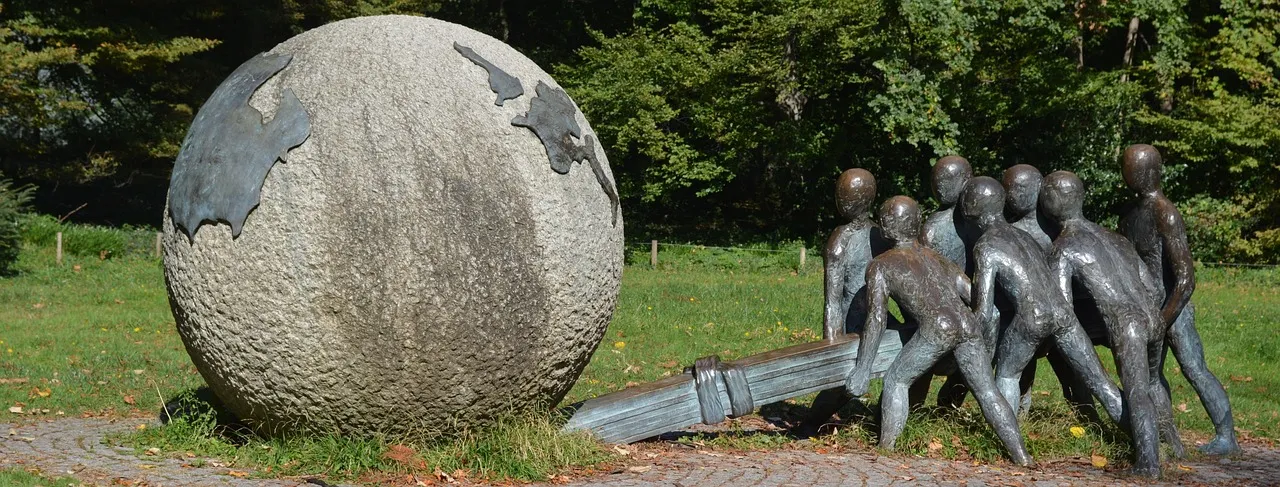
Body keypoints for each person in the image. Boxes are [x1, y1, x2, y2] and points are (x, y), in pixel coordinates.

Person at [844, 196, 1032, 467]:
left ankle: (886, 452)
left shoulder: (881, 265)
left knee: (897, 380)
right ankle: (1021, 455)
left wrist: (863, 368)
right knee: (987, 391)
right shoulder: (934, 256)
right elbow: (973, 294)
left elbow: (876, 319)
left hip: (938, 328)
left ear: (888, 226)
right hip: (967, 323)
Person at [1041, 171, 1184, 478]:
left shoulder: (1063, 248)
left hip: (1126, 323)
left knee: (1136, 392)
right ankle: (1175, 445)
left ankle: (1149, 462)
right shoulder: (1115, 238)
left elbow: (1063, 312)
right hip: (1152, 317)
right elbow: (1150, 286)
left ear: (1051, 203)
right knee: (1153, 382)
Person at [960, 177, 1124, 425]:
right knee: (1101, 381)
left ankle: (1007, 439)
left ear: (970, 208)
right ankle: (1145, 441)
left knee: (1006, 374)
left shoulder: (985, 246)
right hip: (1064, 314)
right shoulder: (1024, 236)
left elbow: (983, 312)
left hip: (1033, 317)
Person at [1118, 144, 1239, 455]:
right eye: (1126, 166)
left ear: (1149, 173)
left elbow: (1186, 279)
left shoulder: (1165, 214)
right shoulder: (1130, 215)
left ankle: (1226, 437)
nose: (1126, 173)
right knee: (1151, 376)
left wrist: (1164, 318)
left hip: (1174, 307)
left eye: (1131, 167)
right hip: (1147, 305)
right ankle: (1165, 437)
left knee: (1194, 367)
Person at [796, 169, 892, 436]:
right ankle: (809, 425)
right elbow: (833, 300)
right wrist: (832, 343)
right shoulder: (840, 242)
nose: (842, 200)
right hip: (853, 319)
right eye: (841, 194)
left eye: (845, 195)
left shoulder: (880, 236)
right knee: (839, 384)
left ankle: (886, 419)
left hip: (877, 316)